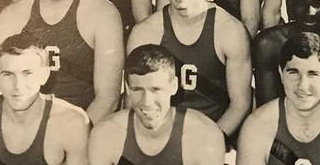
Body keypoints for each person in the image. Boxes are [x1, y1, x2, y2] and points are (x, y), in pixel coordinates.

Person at [127, 0, 252, 143]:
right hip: (161, 136)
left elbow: (240, 104)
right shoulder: (145, 32)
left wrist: (208, 143)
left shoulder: (229, 30)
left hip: (214, 135)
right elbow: (133, 103)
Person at [237, 32, 320, 165]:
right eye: (293, 72)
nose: (302, 85)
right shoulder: (258, 127)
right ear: (281, 73)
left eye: (313, 73)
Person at [0, 32, 89, 165]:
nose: (17, 86)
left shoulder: (71, 122)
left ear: (44, 75)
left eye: (27, 73)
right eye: (8, 74)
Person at [89, 44, 226, 164]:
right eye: (137, 89)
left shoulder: (204, 135)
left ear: (173, 86)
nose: (147, 101)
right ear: (128, 88)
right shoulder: (106, 134)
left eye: (156, 89)